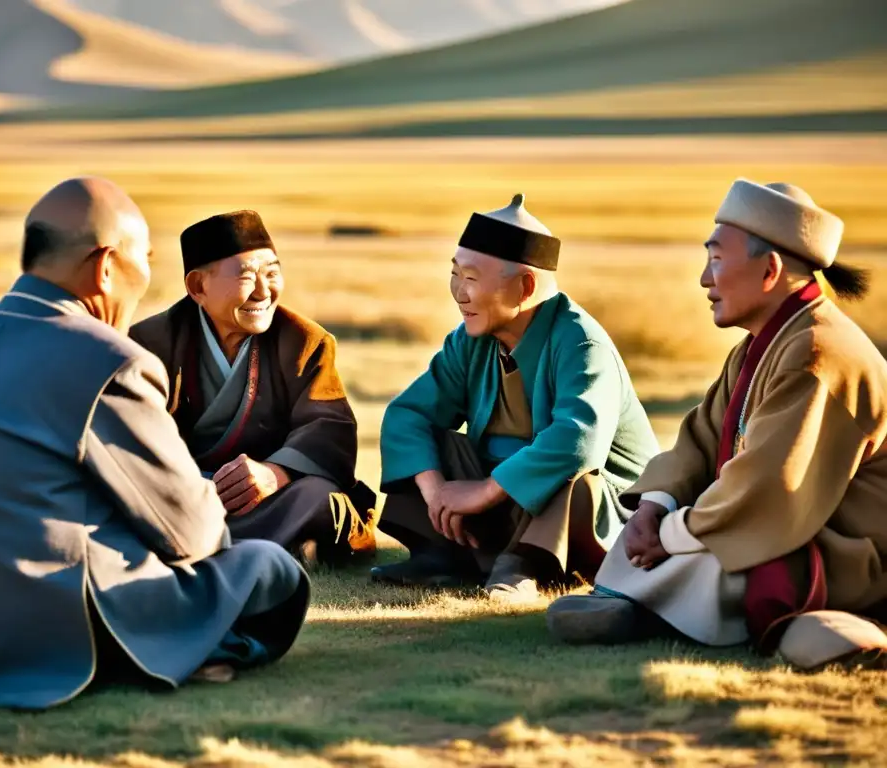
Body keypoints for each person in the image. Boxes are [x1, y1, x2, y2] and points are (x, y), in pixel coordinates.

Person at [0, 178, 310, 709]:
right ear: (105, 266)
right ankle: (189, 650)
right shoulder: (110, 360)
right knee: (270, 568)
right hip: (51, 625)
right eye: (143, 258)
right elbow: (191, 532)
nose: (146, 276)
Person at [547, 179, 887, 670]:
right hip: (783, 522)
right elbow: (701, 439)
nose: (705, 280)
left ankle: (646, 609)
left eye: (717, 260)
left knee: (729, 555)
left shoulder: (817, 353)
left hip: (849, 548)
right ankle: (648, 601)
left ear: (769, 271)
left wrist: (668, 535)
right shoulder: (764, 343)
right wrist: (655, 506)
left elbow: (771, 488)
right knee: (657, 535)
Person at [372, 194, 660, 598]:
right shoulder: (469, 341)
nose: (459, 292)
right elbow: (408, 414)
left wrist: (484, 490)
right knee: (428, 441)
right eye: (455, 274)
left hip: (592, 511)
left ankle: (526, 565)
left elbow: (578, 441)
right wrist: (438, 492)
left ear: (524, 286)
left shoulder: (580, 343)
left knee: (572, 475)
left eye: (471, 278)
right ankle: (443, 554)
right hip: (505, 498)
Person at [129, 210, 376, 567]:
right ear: (198, 286)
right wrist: (196, 486)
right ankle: (276, 546)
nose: (264, 291)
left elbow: (329, 428)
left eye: (272, 273)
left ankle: (206, 547)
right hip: (187, 494)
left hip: (272, 498)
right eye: (246, 276)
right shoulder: (151, 341)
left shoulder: (304, 341)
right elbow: (133, 437)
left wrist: (275, 474)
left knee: (319, 497)